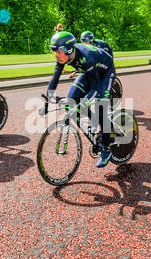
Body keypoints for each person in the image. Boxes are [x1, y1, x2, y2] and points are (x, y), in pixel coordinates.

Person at [42, 30, 117, 167]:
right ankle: (94, 122)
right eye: (54, 52)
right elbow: (55, 79)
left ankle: (107, 149)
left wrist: (85, 101)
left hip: (105, 73)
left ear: (68, 50)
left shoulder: (86, 57)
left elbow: (95, 87)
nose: (56, 55)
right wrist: (48, 101)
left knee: (100, 107)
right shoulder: (63, 58)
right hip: (90, 72)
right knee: (71, 101)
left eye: (58, 52)